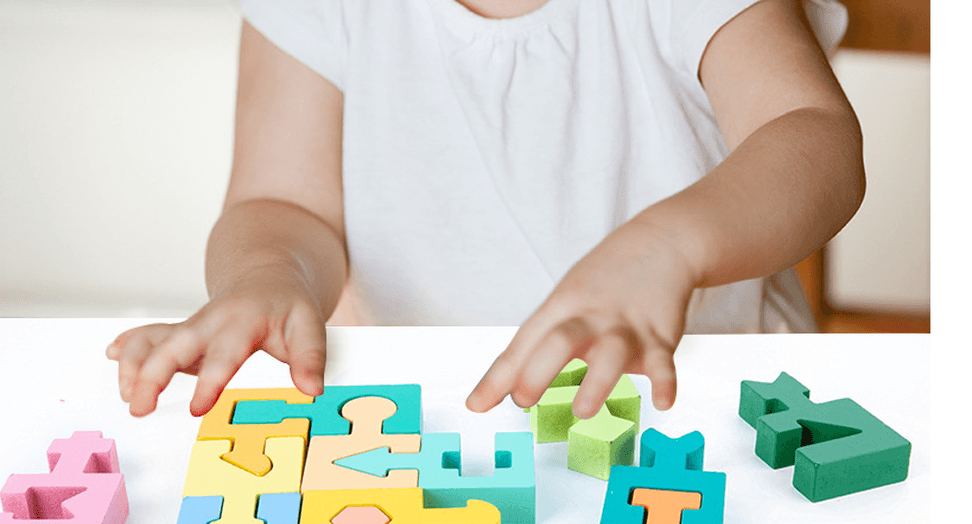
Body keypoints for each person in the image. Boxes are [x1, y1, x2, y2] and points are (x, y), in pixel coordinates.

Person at [107, 0, 863, 422]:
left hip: (701, 403)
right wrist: (268, 277)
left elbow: (816, 139)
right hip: (435, 422)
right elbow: (282, 202)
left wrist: (670, 244)